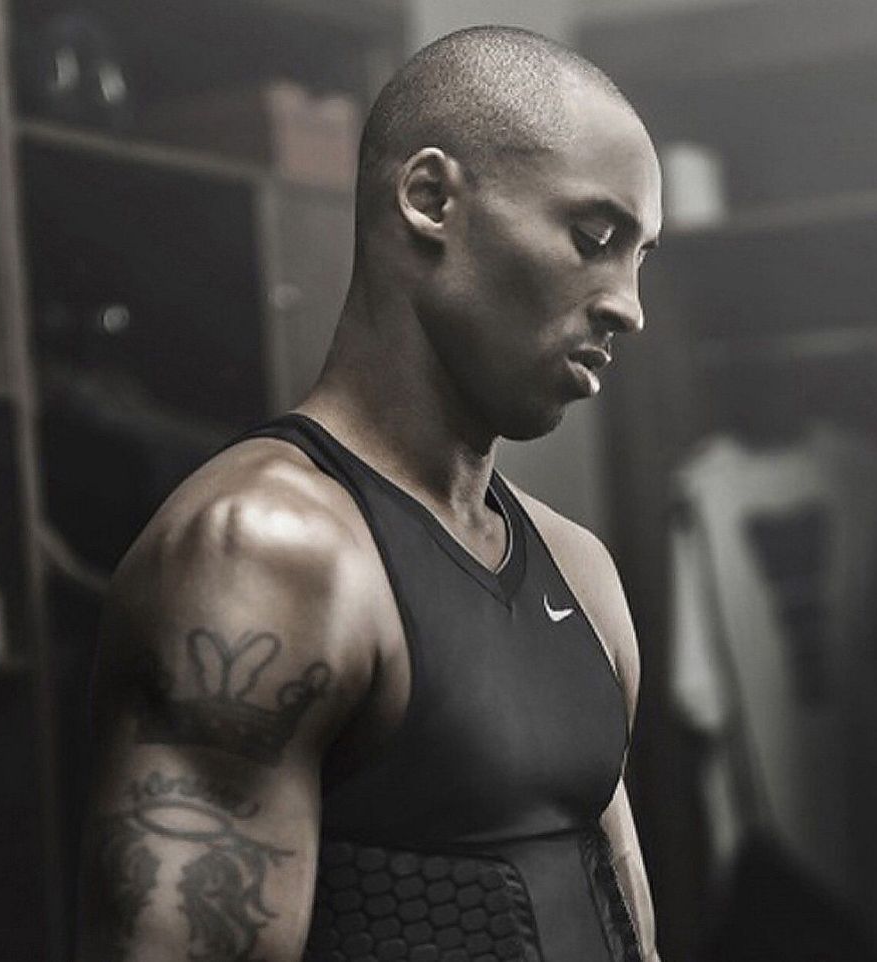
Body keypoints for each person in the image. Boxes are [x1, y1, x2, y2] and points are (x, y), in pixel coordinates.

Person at [76, 25, 663, 962]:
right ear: (430, 199)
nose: (627, 304)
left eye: (640, 257)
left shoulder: (579, 571)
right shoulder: (260, 554)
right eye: (595, 238)